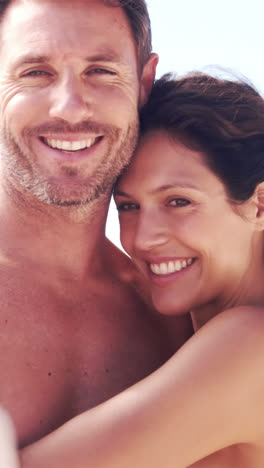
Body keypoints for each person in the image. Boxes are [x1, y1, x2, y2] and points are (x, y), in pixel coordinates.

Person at [20, 72, 264, 468]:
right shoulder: (185, 340)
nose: (144, 238)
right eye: (128, 206)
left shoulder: (249, 345)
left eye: (179, 201)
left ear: (259, 205)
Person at [0, 0, 193, 450]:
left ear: (144, 82)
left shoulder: (178, 318)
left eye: (101, 72)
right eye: (36, 73)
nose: (69, 108)